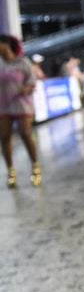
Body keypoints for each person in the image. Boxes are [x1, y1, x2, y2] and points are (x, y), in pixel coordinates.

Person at [0, 34, 41, 187]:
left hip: (21, 105)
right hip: (3, 106)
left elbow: (32, 80)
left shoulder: (22, 62)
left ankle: (35, 167)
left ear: (5, 44)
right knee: (4, 138)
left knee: (25, 134)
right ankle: (11, 171)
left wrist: (26, 88)